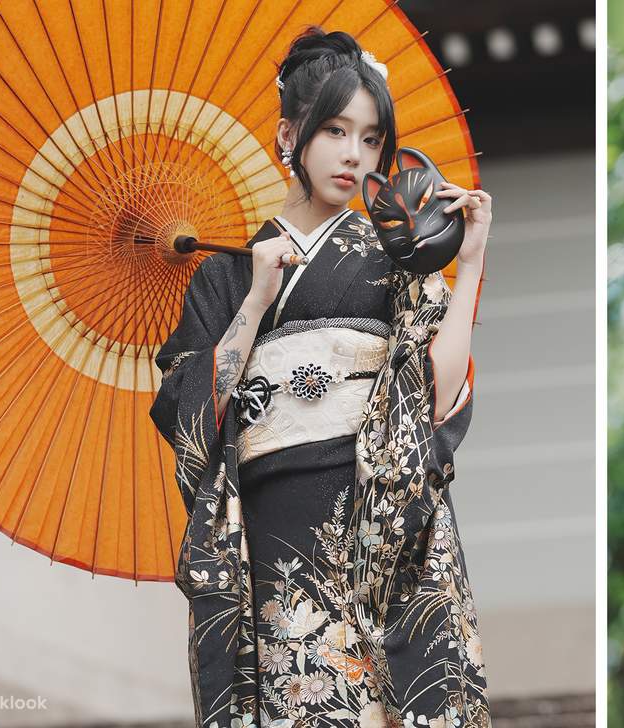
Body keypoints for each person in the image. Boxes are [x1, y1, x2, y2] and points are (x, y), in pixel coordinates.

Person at [149, 27, 494, 728]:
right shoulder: (223, 273)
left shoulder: (397, 265)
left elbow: (434, 395)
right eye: (335, 130)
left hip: (379, 518)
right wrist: (252, 301)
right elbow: (194, 408)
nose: (353, 154)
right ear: (289, 133)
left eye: (371, 139)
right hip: (275, 527)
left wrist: (473, 263)